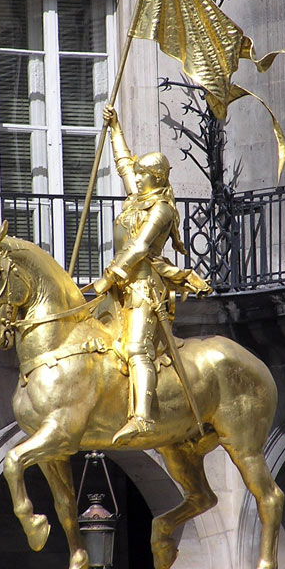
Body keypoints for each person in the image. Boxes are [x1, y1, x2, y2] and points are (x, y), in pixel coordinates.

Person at [93, 106, 211, 445]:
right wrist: (115, 127)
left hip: (144, 286)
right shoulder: (136, 198)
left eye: (143, 174)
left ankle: (143, 417)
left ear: (156, 179)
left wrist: (110, 276)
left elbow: (141, 246)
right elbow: (123, 163)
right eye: (139, 173)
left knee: (136, 349)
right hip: (122, 286)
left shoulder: (162, 209)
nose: (137, 176)